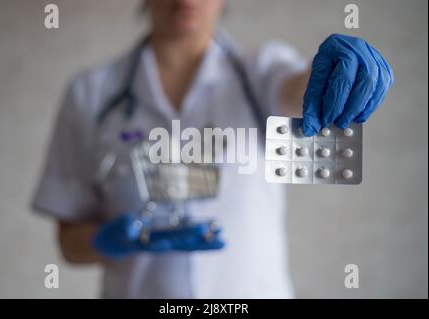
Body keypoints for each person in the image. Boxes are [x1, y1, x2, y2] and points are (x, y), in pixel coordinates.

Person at [32, 0, 393, 298]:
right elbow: (69, 241)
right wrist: (108, 240)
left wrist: (325, 76)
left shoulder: (260, 71)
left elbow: (293, 91)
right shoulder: (90, 93)